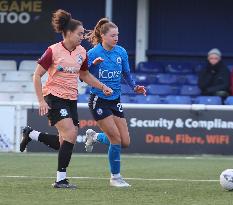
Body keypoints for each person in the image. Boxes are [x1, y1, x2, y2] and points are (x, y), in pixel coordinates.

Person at [19, 9, 112, 189]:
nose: (82, 36)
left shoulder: (82, 52)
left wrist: (102, 86)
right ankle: (60, 180)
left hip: (71, 99)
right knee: (70, 134)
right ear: (68, 33)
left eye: (84, 33)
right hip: (54, 97)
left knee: (64, 141)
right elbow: (37, 76)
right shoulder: (53, 51)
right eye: (79, 33)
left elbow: (84, 75)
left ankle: (31, 134)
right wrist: (41, 101)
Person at [84, 18, 146, 187]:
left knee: (125, 142)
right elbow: (83, 76)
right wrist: (93, 66)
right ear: (103, 36)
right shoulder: (93, 54)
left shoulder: (121, 52)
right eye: (113, 35)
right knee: (116, 139)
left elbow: (126, 73)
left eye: (117, 35)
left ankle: (94, 136)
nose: (116, 38)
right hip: (99, 100)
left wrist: (134, 87)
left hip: (115, 100)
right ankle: (115, 178)